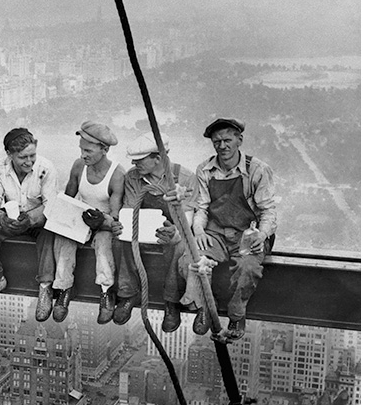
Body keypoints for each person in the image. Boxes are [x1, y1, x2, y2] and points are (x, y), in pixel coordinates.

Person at [181, 118, 277, 340]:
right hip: (216, 232)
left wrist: (261, 235)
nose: (222, 146)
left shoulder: (257, 170)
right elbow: (201, 207)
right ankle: (205, 306)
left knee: (247, 269)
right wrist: (199, 231)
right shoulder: (205, 169)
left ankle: (236, 314)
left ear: (239, 140)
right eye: (217, 142)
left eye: (227, 140)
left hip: (248, 234)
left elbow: (268, 210)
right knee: (194, 260)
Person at [112, 132, 197, 331]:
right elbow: (130, 209)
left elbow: (188, 216)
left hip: (172, 229)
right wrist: (124, 225)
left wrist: (175, 232)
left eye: (140, 160)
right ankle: (127, 293)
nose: (134, 164)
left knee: (177, 245)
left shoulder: (185, 177)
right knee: (120, 240)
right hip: (142, 226)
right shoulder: (133, 177)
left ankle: (171, 301)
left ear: (158, 158)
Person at [0, 128, 58, 319]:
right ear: (9, 154)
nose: (29, 162)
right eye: (22, 157)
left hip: (37, 220)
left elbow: (50, 206)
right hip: (11, 217)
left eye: (32, 155)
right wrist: (0, 218)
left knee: (49, 231)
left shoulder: (46, 168)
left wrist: (29, 219)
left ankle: (45, 287)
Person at [50, 121, 125, 323]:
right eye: (81, 149)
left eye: (88, 151)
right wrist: (65, 219)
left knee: (103, 244)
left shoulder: (117, 175)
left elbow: (116, 214)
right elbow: (69, 198)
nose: (83, 155)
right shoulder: (78, 165)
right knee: (64, 238)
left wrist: (103, 221)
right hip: (82, 216)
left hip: (103, 222)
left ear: (105, 150)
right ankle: (64, 287)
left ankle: (106, 291)